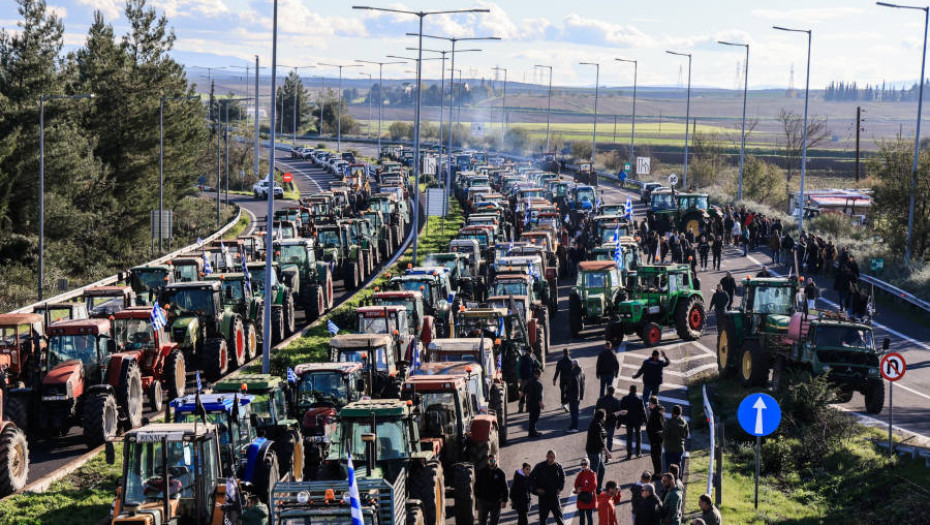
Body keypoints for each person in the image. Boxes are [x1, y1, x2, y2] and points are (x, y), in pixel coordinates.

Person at [531, 450, 566, 524]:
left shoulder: (558, 467)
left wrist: (560, 488)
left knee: (559, 519)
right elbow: (530, 478)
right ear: (547, 457)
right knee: (543, 520)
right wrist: (536, 489)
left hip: (554, 496)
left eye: (554, 457)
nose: (552, 459)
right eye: (550, 457)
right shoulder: (540, 466)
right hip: (544, 497)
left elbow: (562, 478)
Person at [476, 453, 508, 525]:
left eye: (493, 461)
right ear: (488, 461)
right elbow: (477, 486)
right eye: (490, 461)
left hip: (496, 502)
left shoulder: (500, 473)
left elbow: (504, 488)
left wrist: (504, 500)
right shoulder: (482, 472)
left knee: (494, 522)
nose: (492, 462)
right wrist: (478, 498)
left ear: (496, 461)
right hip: (484, 501)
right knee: (482, 522)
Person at [585, 409, 612, 491]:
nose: (605, 418)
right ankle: (593, 489)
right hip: (594, 452)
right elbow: (600, 441)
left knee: (601, 469)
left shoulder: (596, 423)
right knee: (594, 472)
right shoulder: (596, 425)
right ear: (601, 417)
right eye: (604, 417)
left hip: (595, 451)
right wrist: (607, 452)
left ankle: (598, 488)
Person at [620, 385, 647, 460]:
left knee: (629, 437)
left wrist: (619, 422)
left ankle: (629, 454)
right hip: (637, 421)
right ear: (636, 390)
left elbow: (621, 411)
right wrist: (646, 421)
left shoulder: (625, 399)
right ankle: (638, 453)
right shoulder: (639, 400)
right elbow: (643, 412)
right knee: (638, 436)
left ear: (629, 390)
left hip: (628, 421)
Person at [595, 385, 622, 452]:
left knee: (601, 439)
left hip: (601, 422)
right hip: (611, 423)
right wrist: (619, 423)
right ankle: (608, 456)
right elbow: (619, 413)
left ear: (607, 391)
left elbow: (596, 411)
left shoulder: (600, 400)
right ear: (613, 392)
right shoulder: (616, 401)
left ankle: (600, 454)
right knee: (610, 439)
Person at [664, 405, 689, 473]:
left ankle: (670, 481)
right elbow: (686, 434)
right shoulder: (684, 422)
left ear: (673, 413)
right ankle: (678, 481)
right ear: (680, 413)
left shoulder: (669, 423)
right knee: (678, 466)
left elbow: (664, 435)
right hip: (679, 448)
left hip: (669, 448)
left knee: (669, 467)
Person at [573, 457, 598, 525]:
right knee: (581, 517)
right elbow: (576, 483)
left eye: (585, 463)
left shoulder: (592, 474)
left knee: (589, 516)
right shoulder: (580, 474)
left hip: (589, 499)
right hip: (581, 498)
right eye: (582, 464)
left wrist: (581, 489)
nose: (583, 465)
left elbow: (593, 486)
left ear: (588, 464)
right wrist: (577, 488)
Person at [565, 359, 586, 433]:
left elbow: (571, 386)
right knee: (575, 411)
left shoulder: (573, 374)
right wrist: (581, 395)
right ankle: (573, 425)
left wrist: (567, 395)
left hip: (573, 395)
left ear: (574, 365)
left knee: (574, 412)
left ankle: (574, 427)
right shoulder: (581, 371)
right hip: (578, 395)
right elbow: (583, 384)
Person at [646, 398, 665, 476]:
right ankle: (658, 472)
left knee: (655, 456)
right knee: (657, 455)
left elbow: (651, 426)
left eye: (650, 403)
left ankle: (657, 473)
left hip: (655, 438)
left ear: (652, 403)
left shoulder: (655, 413)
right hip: (659, 437)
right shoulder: (661, 411)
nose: (649, 405)